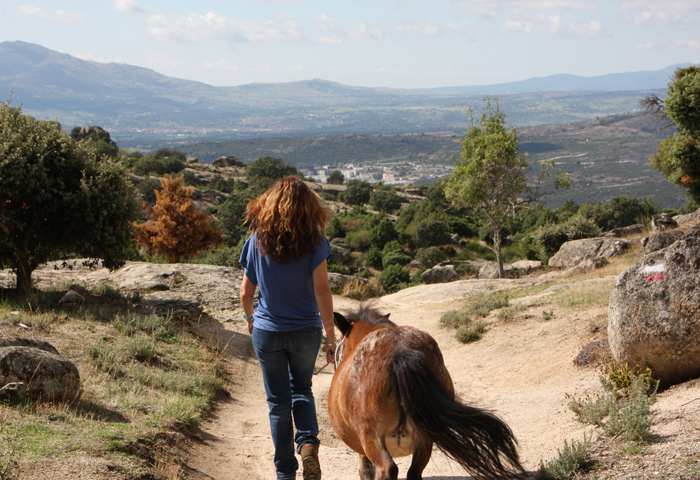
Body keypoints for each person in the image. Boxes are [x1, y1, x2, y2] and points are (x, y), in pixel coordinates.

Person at [239, 176, 337, 480]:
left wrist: (250, 319)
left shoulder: (256, 240)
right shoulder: (316, 242)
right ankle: (307, 443)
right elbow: (322, 290)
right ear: (309, 206)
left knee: (278, 405)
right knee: (302, 390)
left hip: (268, 331)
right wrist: (331, 339)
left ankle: (285, 473)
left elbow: (245, 293)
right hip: (306, 330)